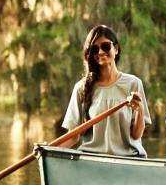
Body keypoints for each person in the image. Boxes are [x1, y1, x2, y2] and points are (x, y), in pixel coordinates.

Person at [55, 25, 149, 156]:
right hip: (92, 159)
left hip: (128, 158)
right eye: (94, 49)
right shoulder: (81, 88)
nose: (100, 52)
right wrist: (48, 151)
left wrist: (140, 109)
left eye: (105, 46)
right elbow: (73, 137)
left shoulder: (133, 84)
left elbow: (136, 134)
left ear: (116, 49)